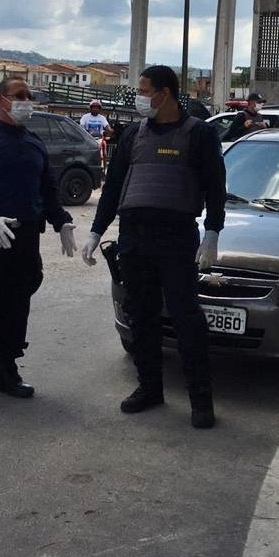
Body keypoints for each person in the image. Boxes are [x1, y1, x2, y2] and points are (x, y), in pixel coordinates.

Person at [80, 65, 226, 429]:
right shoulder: (134, 134)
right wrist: (96, 231)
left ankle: (200, 399)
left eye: (144, 90)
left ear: (165, 93)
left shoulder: (199, 134)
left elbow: (215, 187)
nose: (140, 97)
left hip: (176, 238)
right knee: (141, 316)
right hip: (135, 238)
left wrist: (212, 232)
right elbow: (114, 187)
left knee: (186, 319)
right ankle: (149, 388)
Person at [0, 77, 77, 406]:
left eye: (29, 96)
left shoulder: (34, 143)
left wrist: (61, 220)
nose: (26, 101)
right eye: (18, 96)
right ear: (0, 101)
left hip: (24, 242)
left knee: (16, 309)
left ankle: (5, 372)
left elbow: (47, 190)